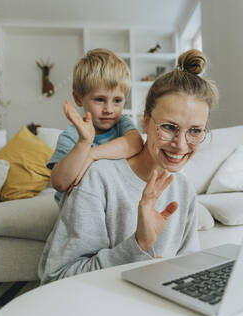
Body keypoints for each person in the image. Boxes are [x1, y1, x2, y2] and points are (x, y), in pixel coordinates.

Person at [39, 49, 219, 284]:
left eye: (195, 130)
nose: (180, 145)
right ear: (145, 120)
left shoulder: (183, 188)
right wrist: (139, 244)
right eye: (169, 127)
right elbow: (56, 278)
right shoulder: (96, 178)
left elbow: (189, 268)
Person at [48, 48, 143, 205]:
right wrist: (84, 143)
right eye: (99, 99)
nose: (109, 109)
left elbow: (136, 143)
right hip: (80, 208)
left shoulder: (122, 124)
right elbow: (59, 183)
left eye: (117, 101)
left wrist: (92, 154)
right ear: (78, 99)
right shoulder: (71, 136)